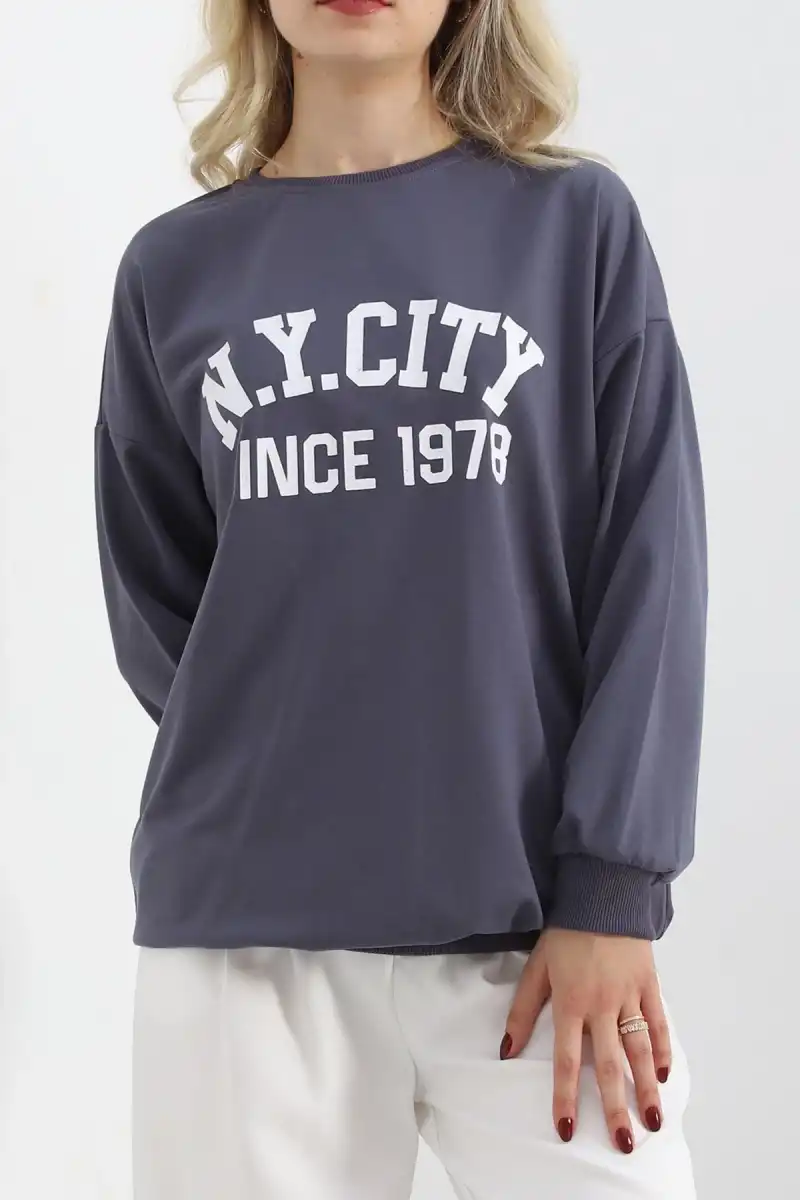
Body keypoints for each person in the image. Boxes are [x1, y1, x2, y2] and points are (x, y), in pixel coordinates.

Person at [93, 1, 708, 1196]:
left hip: (536, 935)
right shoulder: (172, 270)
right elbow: (161, 601)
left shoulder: (573, 227)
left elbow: (651, 568)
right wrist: (307, 756)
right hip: (245, 943)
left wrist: (612, 893)